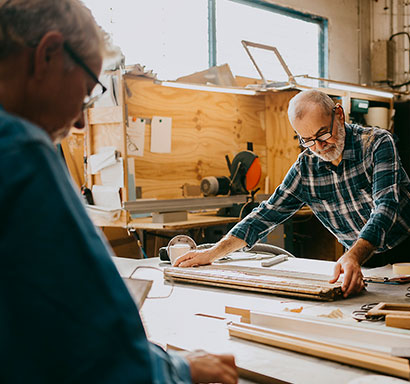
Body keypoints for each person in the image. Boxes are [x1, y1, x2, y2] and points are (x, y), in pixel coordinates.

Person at [0, 1, 237, 383]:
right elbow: (100, 347)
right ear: (48, 54)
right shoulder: (19, 149)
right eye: (86, 93)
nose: (80, 121)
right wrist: (178, 369)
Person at [176, 89, 410, 297]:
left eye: (323, 134)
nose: (319, 146)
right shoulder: (306, 168)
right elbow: (265, 215)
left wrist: (352, 255)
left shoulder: (377, 144)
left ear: (339, 115)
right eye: (308, 140)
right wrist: (212, 253)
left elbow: (386, 207)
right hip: (363, 261)